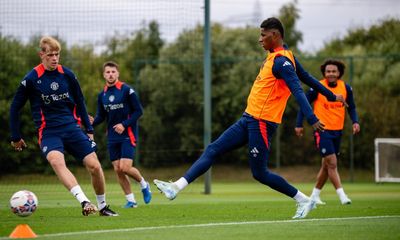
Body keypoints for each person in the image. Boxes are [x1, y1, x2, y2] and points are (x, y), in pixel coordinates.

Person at [154, 17, 347, 219]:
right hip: (249, 119)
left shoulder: (283, 62)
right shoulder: (280, 56)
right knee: (213, 149)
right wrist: (332, 95)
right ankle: (175, 187)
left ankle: (304, 200)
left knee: (259, 173)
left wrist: (311, 117)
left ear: (275, 35)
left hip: (263, 122)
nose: (260, 39)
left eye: (263, 35)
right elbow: (308, 77)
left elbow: (299, 89)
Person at [9, 36, 118, 216]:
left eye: (57, 54)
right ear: (41, 55)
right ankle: (84, 202)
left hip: (71, 127)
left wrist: (89, 130)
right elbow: (15, 107)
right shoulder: (31, 79)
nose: (54, 58)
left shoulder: (67, 74)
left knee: (95, 166)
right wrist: (15, 136)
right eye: (50, 54)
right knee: (56, 161)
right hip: (49, 131)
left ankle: (103, 206)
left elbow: (80, 102)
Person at [295, 59, 360, 205]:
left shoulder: (346, 88)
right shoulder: (317, 87)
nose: (331, 74)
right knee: (332, 163)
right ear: (324, 73)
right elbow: (303, 104)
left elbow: (352, 107)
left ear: (339, 73)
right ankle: (342, 196)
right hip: (322, 130)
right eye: (328, 71)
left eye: (334, 71)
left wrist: (355, 121)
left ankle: (314, 196)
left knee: (326, 165)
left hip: (338, 131)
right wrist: (299, 124)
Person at [90, 61, 152, 208]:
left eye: (113, 72)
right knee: (118, 169)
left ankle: (144, 184)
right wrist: (90, 122)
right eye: (107, 72)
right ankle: (131, 200)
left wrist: (124, 125)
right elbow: (101, 117)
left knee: (125, 167)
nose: (110, 74)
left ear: (117, 73)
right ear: (104, 74)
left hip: (127, 133)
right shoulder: (102, 95)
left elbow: (139, 111)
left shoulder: (126, 90)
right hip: (112, 136)